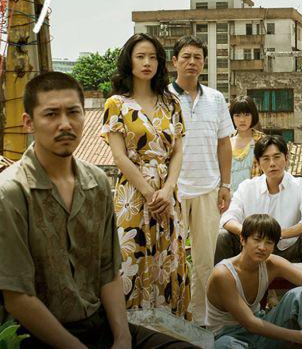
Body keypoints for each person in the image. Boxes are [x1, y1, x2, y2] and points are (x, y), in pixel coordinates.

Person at [0, 72, 194, 348]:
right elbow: (17, 297)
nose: (65, 124)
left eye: (73, 113)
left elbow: (108, 271)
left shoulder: (97, 182)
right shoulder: (11, 192)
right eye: (51, 114)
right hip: (39, 335)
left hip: (102, 325)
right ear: (28, 122)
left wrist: (123, 337)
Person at [101, 33, 189, 316]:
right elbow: (119, 156)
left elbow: (178, 151)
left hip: (167, 194)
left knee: (169, 261)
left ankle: (170, 329)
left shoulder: (171, 103)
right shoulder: (116, 104)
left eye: (152, 57)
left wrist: (167, 189)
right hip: (133, 194)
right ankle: (129, 330)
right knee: (131, 259)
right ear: (129, 61)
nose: (147, 62)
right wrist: (150, 193)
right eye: (140, 56)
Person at [169, 35, 235, 324]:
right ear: (174, 61)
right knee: (171, 259)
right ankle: (172, 318)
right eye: (186, 56)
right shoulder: (163, 97)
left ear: (204, 63)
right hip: (173, 191)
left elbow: (224, 143)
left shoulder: (216, 98)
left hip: (208, 189)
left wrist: (225, 185)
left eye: (197, 57)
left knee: (205, 262)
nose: (192, 62)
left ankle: (200, 322)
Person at [206, 214, 302, 348]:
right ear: (242, 239)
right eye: (257, 240)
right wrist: (300, 336)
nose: (262, 247)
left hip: (261, 331)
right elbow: (250, 323)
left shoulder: (271, 263)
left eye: (269, 242)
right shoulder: (223, 274)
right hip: (228, 336)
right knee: (226, 345)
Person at [215, 135, 302, 264]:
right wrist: (254, 236)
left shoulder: (301, 185)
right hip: (251, 250)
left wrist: (278, 234)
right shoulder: (247, 187)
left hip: (287, 248)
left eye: (277, 157)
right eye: (266, 159)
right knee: (221, 236)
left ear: (286, 158)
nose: (272, 164)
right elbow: (227, 218)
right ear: (258, 162)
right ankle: (222, 277)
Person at [229, 95, 264, 193]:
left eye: (247, 115)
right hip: (230, 199)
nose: (242, 120)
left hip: (256, 197)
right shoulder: (226, 142)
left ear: (253, 116)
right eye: (237, 115)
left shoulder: (262, 141)